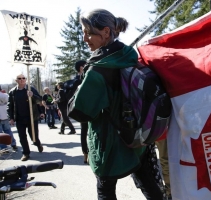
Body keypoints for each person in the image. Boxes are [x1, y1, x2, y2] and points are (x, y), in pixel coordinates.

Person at [70, 9, 163, 199]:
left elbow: (79, 111)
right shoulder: (129, 56)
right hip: (137, 137)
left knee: (105, 190)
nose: (85, 38)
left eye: (88, 32)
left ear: (105, 32)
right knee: (149, 185)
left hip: (108, 144)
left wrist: (80, 86)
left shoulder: (98, 69)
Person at [7, 74, 44, 161]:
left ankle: (38, 144)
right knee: (22, 136)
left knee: (33, 136)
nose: (21, 80)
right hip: (20, 118)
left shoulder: (31, 89)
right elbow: (10, 106)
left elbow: (39, 100)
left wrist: (33, 96)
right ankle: (26, 153)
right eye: (19, 78)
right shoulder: (13, 92)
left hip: (32, 117)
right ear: (16, 80)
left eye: (23, 78)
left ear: (26, 79)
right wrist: (11, 118)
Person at [74, 60, 89, 163]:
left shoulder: (89, 76)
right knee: (84, 131)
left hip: (93, 108)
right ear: (81, 67)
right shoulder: (77, 81)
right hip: (83, 110)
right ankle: (85, 154)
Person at [0, 85, 17, 151]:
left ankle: (4, 148)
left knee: (0, 134)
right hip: (6, 116)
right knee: (8, 131)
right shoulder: (5, 95)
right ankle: (13, 144)